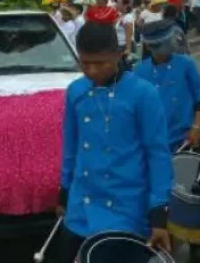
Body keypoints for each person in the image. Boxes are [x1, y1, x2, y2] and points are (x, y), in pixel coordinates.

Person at [50, 21, 173, 263]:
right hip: (81, 205)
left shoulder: (143, 93)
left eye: (100, 63)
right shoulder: (76, 91)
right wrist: (64, 193)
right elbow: (71, 148)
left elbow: (157, 155)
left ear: (118, 54)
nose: (92, 71)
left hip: (125, 207)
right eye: (85, 63)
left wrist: (159, 213)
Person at [133, 19, 200, 262]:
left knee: (189, 195)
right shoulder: (139, 70)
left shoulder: (185, 64)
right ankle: (162, 243)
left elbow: (199, 98)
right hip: (154, 144)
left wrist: (197, 126)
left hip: (184, 138)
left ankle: (196, 240)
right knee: (160, 194)